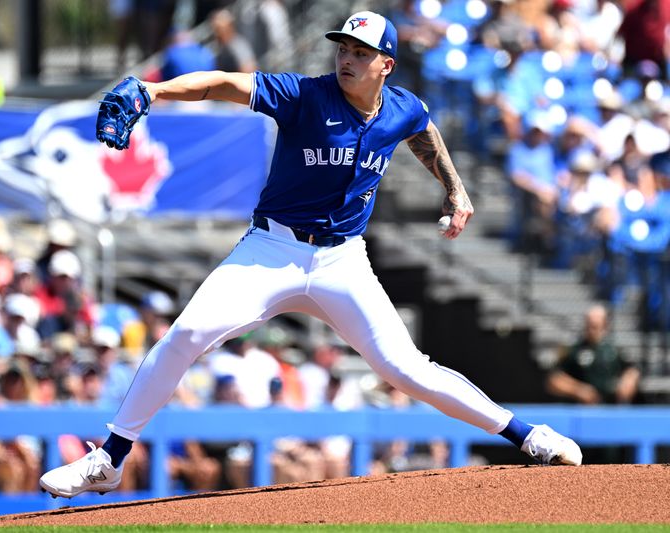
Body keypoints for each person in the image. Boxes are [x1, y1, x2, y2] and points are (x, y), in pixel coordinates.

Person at [39, 10, 582, 499]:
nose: (346, 58)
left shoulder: (400, 109)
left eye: (360, 52)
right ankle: (109, 459)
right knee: (185, 335)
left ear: (386, 65)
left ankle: (528, 434)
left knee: (406, 368)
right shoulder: (304, 94)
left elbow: (423, 130)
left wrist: (456, 189)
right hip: (272, 248)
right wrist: (153, 92)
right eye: (343, 48)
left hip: (343, 261)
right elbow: (223, 84)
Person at [547, 304, 640, 405]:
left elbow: (632, 370)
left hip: (611, 408)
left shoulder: (615, 350)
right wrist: (579, 390)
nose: (592, 330)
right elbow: (554, 380)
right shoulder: (574, 349)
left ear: (605, 325)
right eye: (589, 325)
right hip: (582, 410)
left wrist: (627, 382)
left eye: (596, 326)